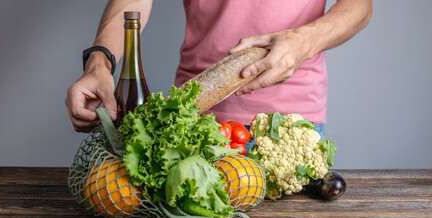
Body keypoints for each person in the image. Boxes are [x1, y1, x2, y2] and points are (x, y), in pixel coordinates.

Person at [65, 0, 373, 139]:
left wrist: (301, 42)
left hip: (292, 129)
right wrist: (98, 62)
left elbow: (360, 5)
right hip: (195, 124)